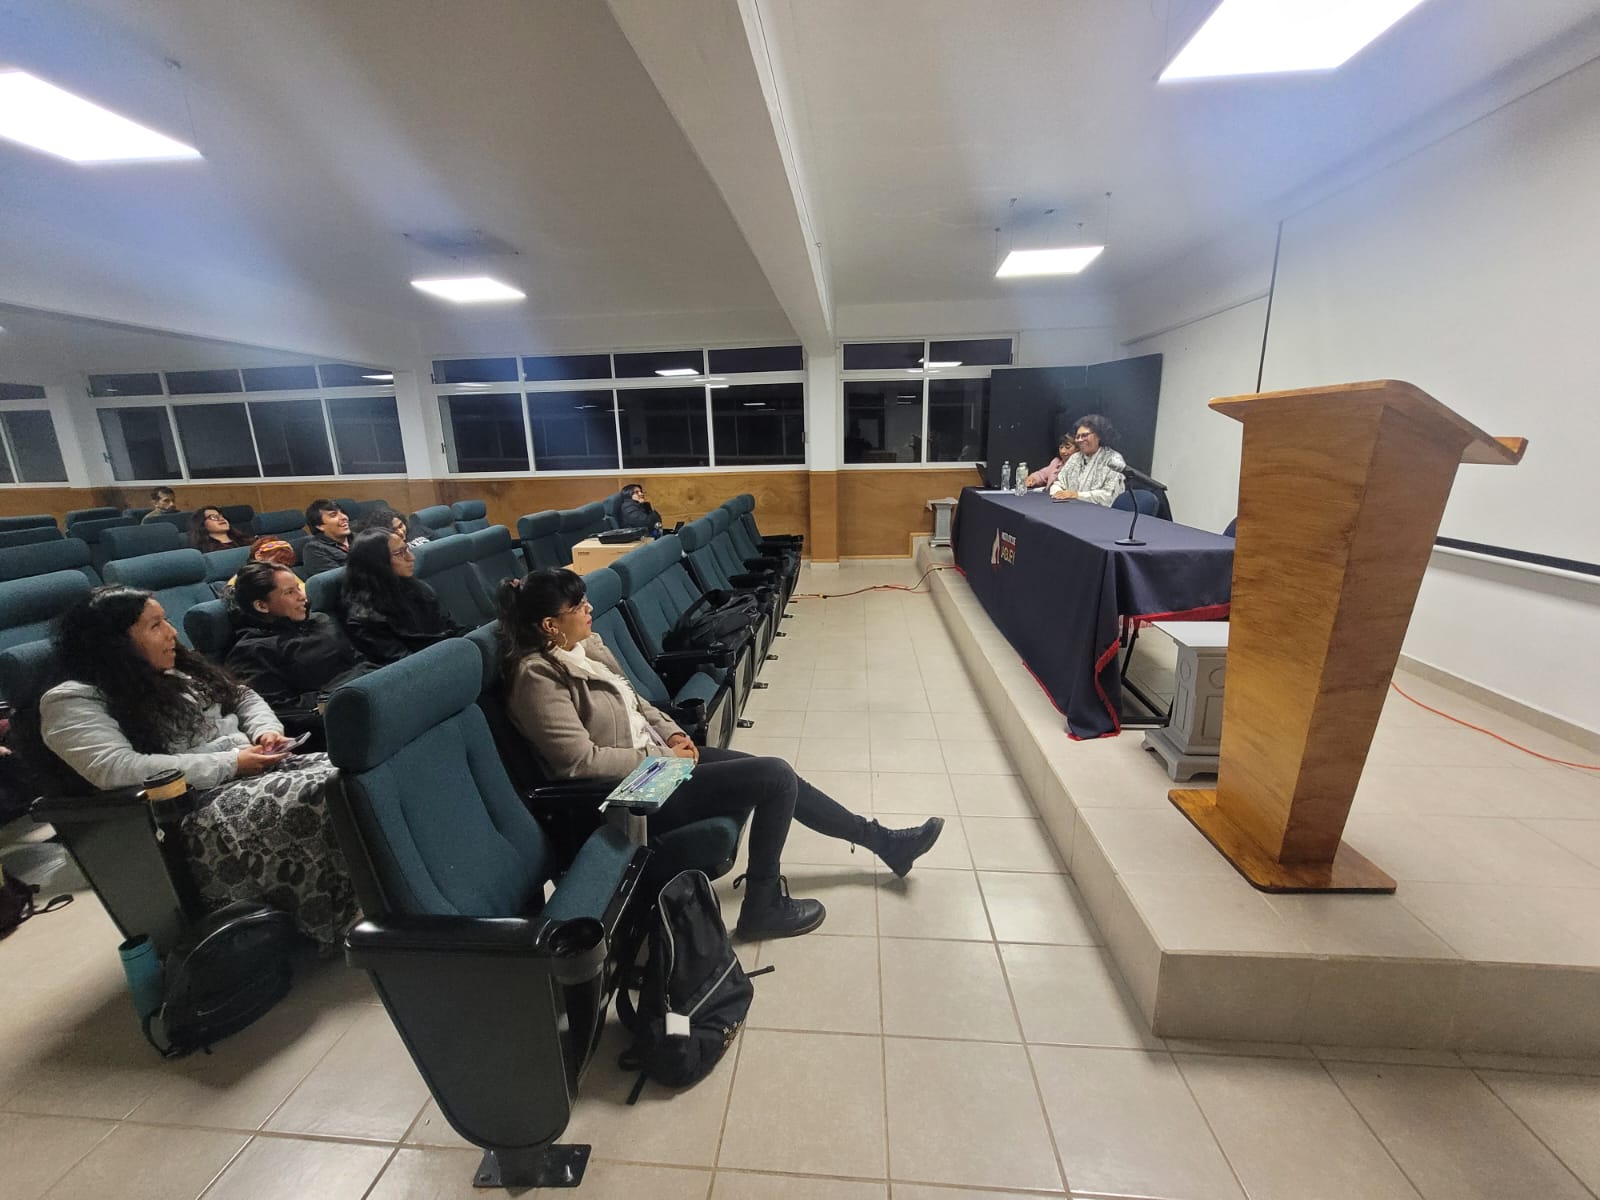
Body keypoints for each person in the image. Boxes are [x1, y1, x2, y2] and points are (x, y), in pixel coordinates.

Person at [498, 569, 945, 939]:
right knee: (775, 778)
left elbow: (637, 705)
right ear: (550, 625)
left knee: (777, 774)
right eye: (578, 605)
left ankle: (883, 842)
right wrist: (661, 762)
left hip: (656, 765)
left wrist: (673, 735)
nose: (589, 608)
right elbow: (577, 762)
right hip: (630, 795)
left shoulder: (583, 649)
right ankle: (763, 907)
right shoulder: (537, 678)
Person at [38, 586, 358, 947]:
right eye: (155, 625)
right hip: (190, 810)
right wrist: (231, 763)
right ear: (116, 643)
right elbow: (114, 768)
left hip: (253, 771)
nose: (171, 632)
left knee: (358, 773)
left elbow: (243, 696)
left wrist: (265, 730)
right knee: (329, 791)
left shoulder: (172, 667)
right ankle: (349, 916)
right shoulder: (72, 699)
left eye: (165, 621)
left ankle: (376, 895)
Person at [225, 561, 376, 746]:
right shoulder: (251, 651)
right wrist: (342, 702)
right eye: (290, 592)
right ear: (262, 605)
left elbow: (360, 661)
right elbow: (283, 712)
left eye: (298, 588)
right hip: (334, 724)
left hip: (369, 694)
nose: (302, 597)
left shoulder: (320, 621)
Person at [341, 527, 467, 665]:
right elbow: (407, 664)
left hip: (453, 654)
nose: (411, 557)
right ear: (376, 563)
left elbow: (453, 627)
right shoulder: (365, 618)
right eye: (399, 553)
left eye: (407, 549)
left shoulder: (416, 587)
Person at [1050, 414, 1127, 506]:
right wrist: (1058, 493)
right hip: (1069, 507)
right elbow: (1059, 483)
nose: (1080, 440)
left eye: (1084, 435)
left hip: (1099, 512)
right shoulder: (1075, 458)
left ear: (1099, 435)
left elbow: (1110, 495)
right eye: (1077, 437)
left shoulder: (1113, 459)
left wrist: (1076, 495)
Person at [301, 499, 350, 576]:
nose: (344, 517)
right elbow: (338, 580)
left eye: (343, 513)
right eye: (333, 515)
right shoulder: (315, 549)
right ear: (319, 526)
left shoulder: (361, 536)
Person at [352, 505, 430, 548]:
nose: (400, 532)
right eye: (393, 530)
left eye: (400, 526)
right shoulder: (385, 550)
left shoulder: (418, 530)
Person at [188, 505, 252, 553]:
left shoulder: (245, 540)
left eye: (222, 516)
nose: (221, 519)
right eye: (214, 517)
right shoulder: (207, 551)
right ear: (202, 524)